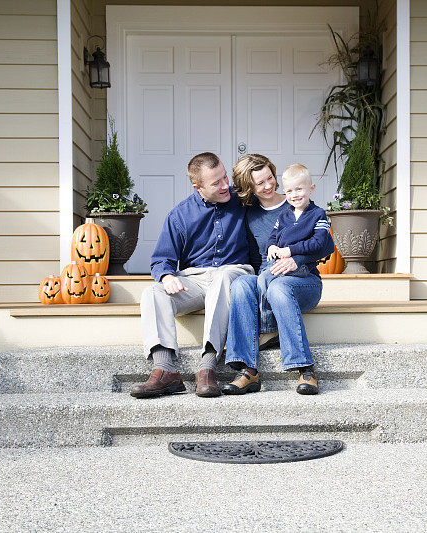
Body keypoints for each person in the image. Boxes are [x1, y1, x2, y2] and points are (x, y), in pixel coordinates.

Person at [130, 152, 253, 399]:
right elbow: (161, 259)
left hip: (235, 272)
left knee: (222, 276)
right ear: (198, 188)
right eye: (215, 183)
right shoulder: (180, 215)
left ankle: (207, 367)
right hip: (195, 279)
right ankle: (165, 370)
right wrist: (167, 277)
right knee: (152, 292)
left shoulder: (242, 201)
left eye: (224, 177)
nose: (224, 185)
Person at [223, 161, 334, 396]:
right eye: (259, 183)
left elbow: (326, 246)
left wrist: (297, 258)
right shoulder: (251, 215)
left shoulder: (300, 202)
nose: (268, 186)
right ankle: (248, 370)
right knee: (242, 284)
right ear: (250, 188)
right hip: (269, 273)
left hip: (302, 278)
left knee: (278, 289)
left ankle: (305, 368)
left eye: (270, 178)